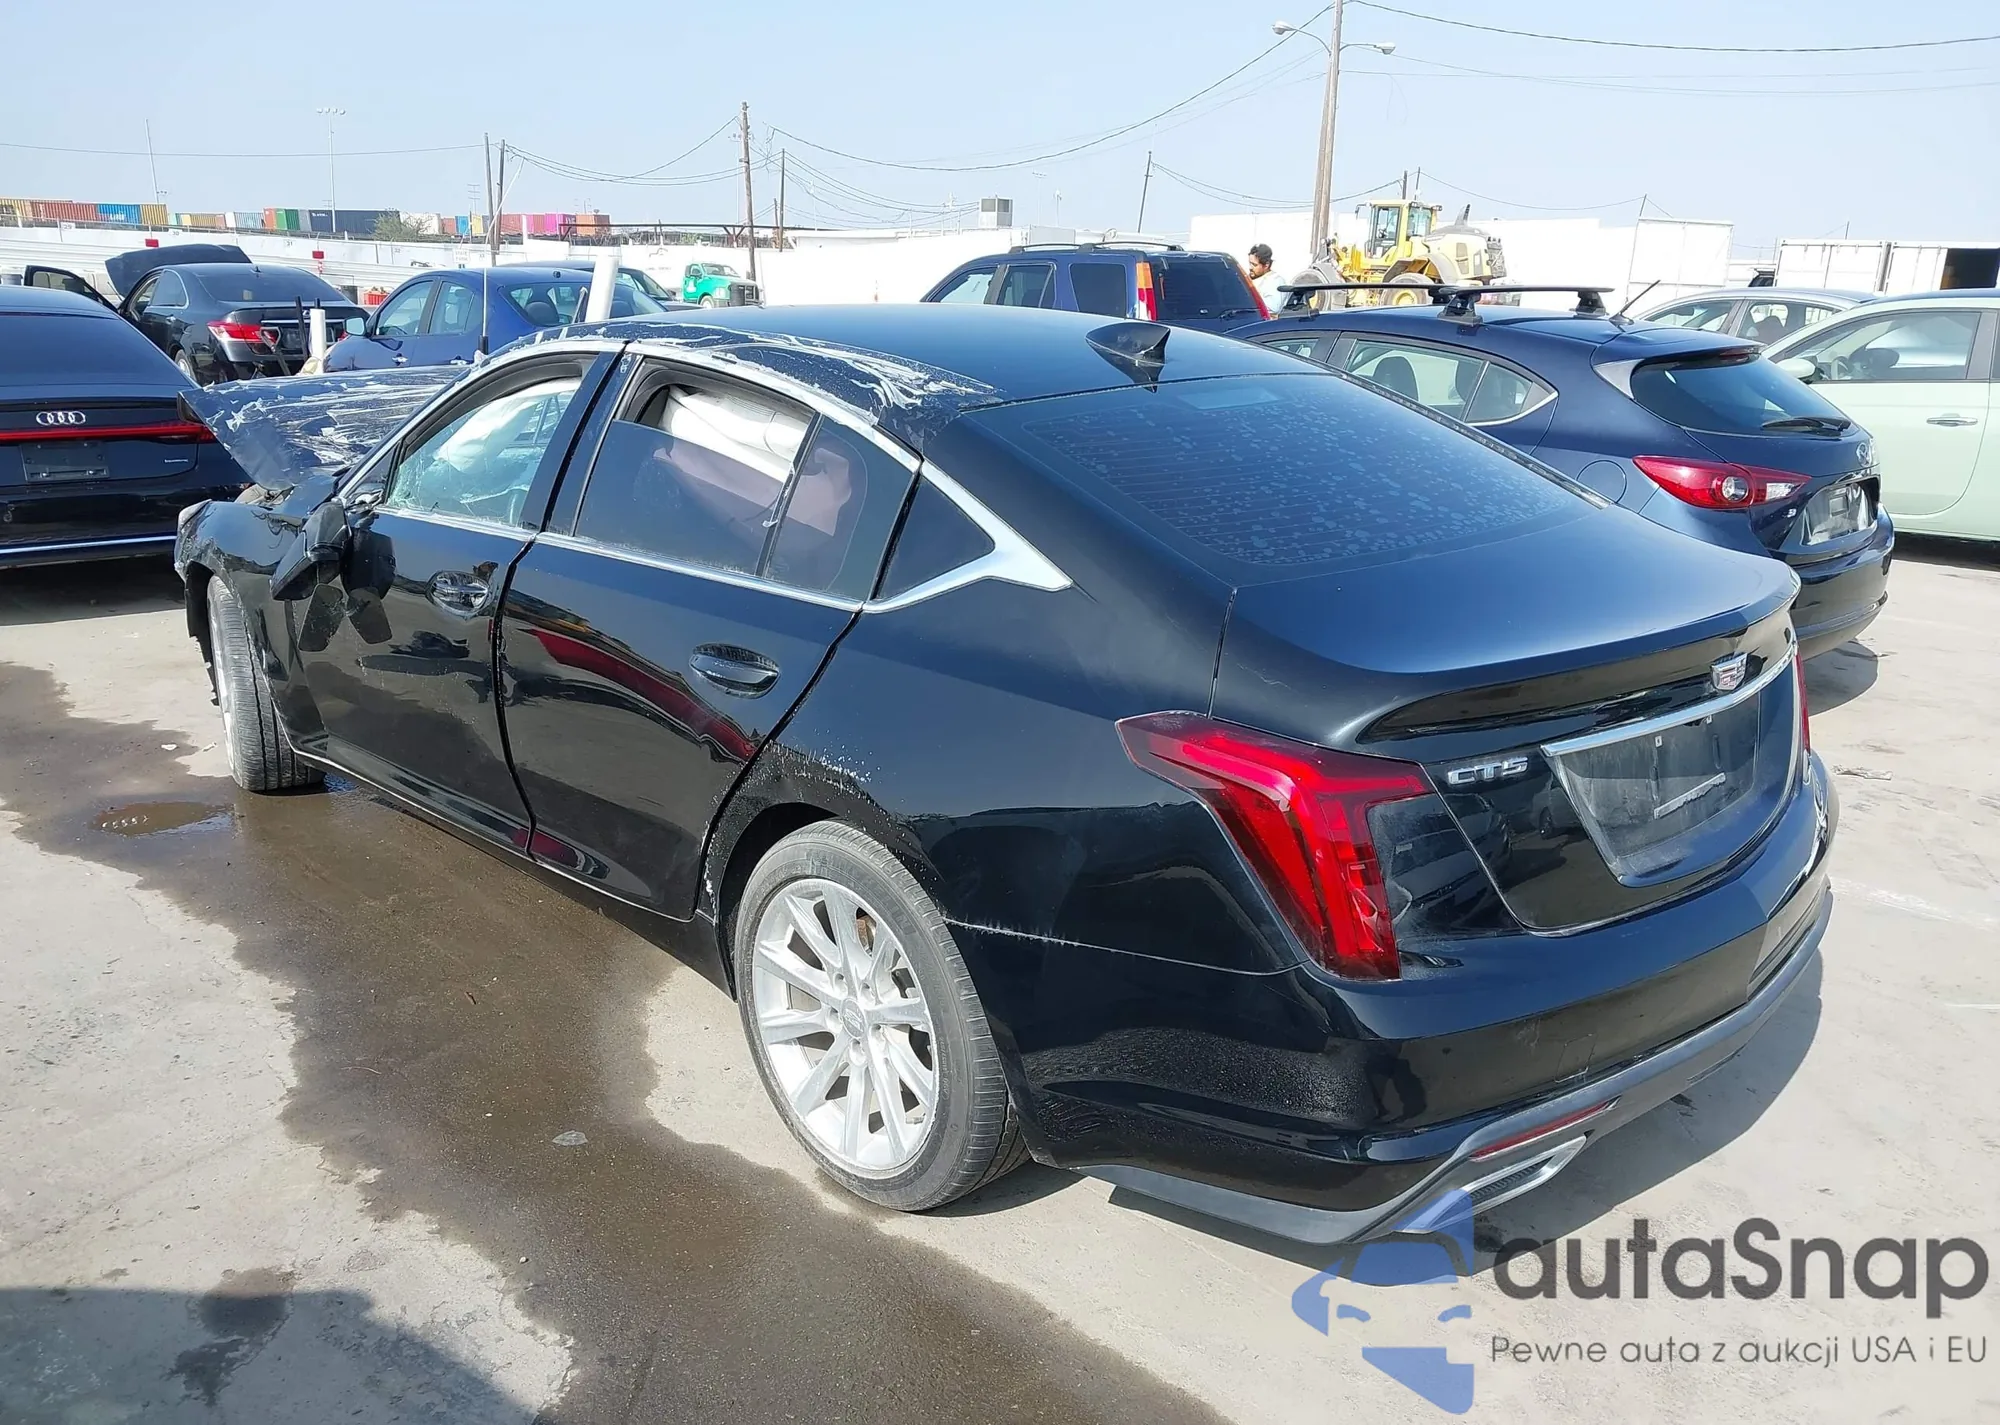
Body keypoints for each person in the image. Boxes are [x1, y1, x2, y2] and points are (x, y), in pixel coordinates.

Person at [1246, 243, 1284, 311]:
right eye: (1250, 263)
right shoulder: (1249, 278)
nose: (1250, 268)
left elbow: (1272, 308)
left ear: (1266, 265)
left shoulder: (1275, 281)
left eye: (1254, 265)